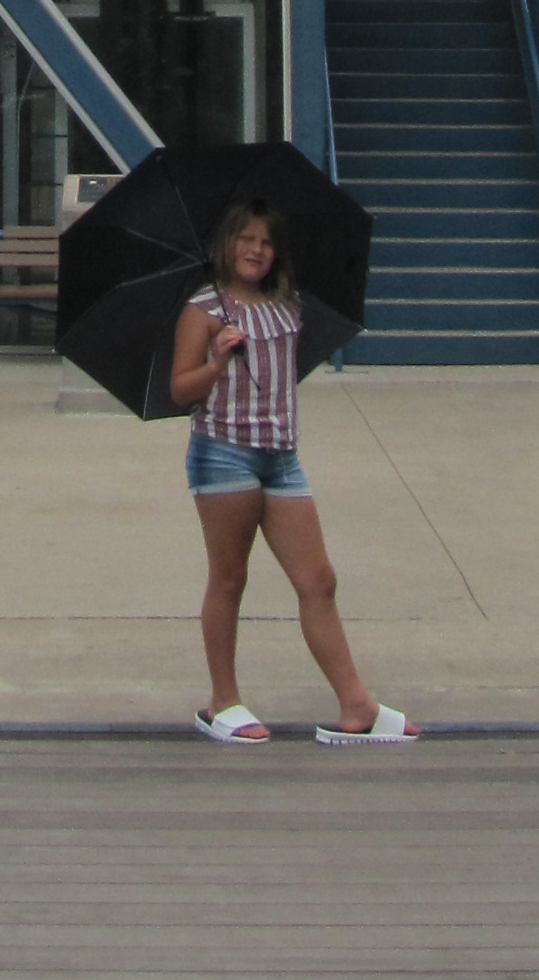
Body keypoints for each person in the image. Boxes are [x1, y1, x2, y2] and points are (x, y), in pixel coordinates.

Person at [170, 200, 416, 748]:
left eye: (266, 241)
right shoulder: (204, 308)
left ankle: (356, 705)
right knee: (230, 577)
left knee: (318, 579)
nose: (256, 250)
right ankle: (223, 701)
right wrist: (215, 364)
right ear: (226, 246)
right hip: (223, 452)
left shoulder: (288, 305)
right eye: (245, 239)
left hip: (281, 456)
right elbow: (179, 388)